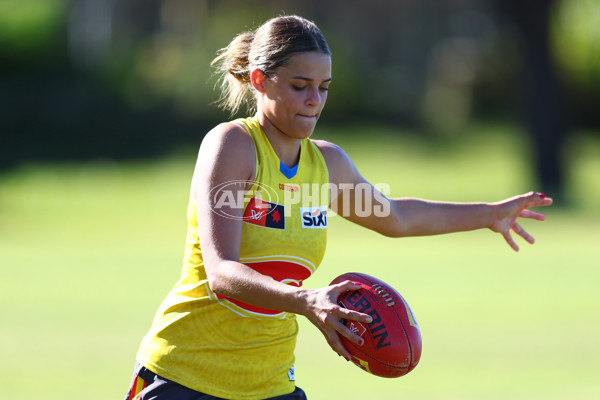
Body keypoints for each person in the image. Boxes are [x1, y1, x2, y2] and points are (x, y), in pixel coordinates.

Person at [124, 15, 553, 400]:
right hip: (186, 377)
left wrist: (488, 215)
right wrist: (307, 299)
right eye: (300, 86)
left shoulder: (326, 165)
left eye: (324, 87)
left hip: (270, 383)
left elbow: (398, 217)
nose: (315, 100)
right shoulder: (234, 145)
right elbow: (222, 272)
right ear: (259, 80)